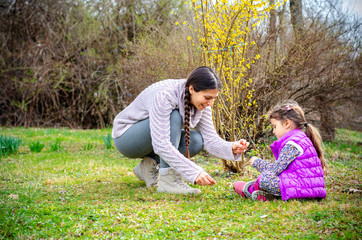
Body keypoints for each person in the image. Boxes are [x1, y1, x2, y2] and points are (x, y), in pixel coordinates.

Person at [112, 66, 249, 195]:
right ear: (191, 89)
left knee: (195, 141)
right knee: (175, 116)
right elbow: (161, 144)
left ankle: (149, 165)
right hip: (127, 137)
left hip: (152, 139)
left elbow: (209, 139)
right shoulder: (164, 96)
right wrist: (194, 172)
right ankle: (169, 181)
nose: (210, 104)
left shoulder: (202, 104)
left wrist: (230, 147)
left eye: (214, 98)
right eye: (207, 98)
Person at [234, 100, 327, 201]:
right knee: (270, 177)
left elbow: (276, 169)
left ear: (287, 123)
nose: (273, 131)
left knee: (265, 179)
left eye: (275, 126)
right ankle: (267, 195)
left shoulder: (292, 144)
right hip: (311, 190)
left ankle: (249, 190)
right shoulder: (301, 138)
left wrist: (257, 162)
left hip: (301, 190)